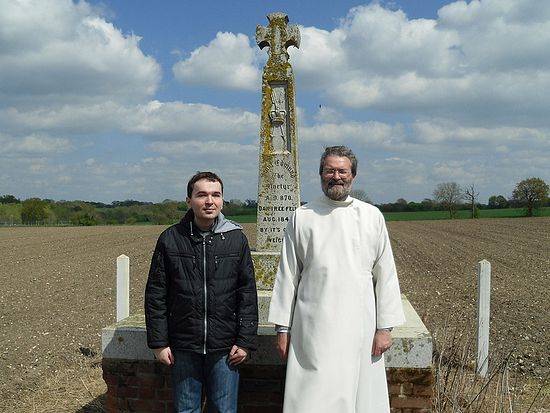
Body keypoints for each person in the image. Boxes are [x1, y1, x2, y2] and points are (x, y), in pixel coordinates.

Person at [268, 146, 405, 413]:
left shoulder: (371, 216)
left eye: (342, 170)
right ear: (320, 174)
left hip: (360, 327)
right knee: (312, 397)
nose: (336, 176)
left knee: (360, 398)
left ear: (353, 175)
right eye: (329, 170)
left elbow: (385, 274)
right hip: (313, 329)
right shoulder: (302, 216)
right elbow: (287, 275)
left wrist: (385, 328)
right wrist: (282, 329)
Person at [145, 171, 258, 413]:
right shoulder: (170, 239)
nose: (209, 201)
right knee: (186, 409)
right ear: (189, 201)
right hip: (183, 344)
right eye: (202, 195)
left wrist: (245, 341)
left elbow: (247, 293)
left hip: (225, 346)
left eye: (216, 195)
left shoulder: (236, 239)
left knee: (224, 409)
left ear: (222, 200)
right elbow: (156, 295)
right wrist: (158, 343)